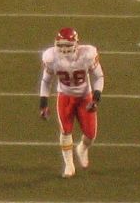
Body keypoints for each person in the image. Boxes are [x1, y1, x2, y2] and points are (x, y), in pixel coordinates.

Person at [40, 26, 103, 177]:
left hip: (84, 96)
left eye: (67, 45)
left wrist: (95, 97)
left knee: (90, 135)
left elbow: (99, 76)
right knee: (65, 130)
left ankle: (82, 148)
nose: (64, 49)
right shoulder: (51, 57)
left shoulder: (87, 55)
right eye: (61, 45)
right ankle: (69, 165)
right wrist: (43, 104)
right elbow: (46, 81)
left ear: (76, 44)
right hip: (65, 96)